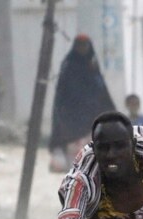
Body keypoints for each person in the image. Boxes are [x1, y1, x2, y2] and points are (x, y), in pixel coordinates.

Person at [50, 35, 117, 171]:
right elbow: (62, 93)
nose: (83, 48)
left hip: (92, 114)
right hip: (72, 116)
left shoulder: (92, 65)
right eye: (80, 45)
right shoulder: (69, 65)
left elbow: (101, 89)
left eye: (85, 45)